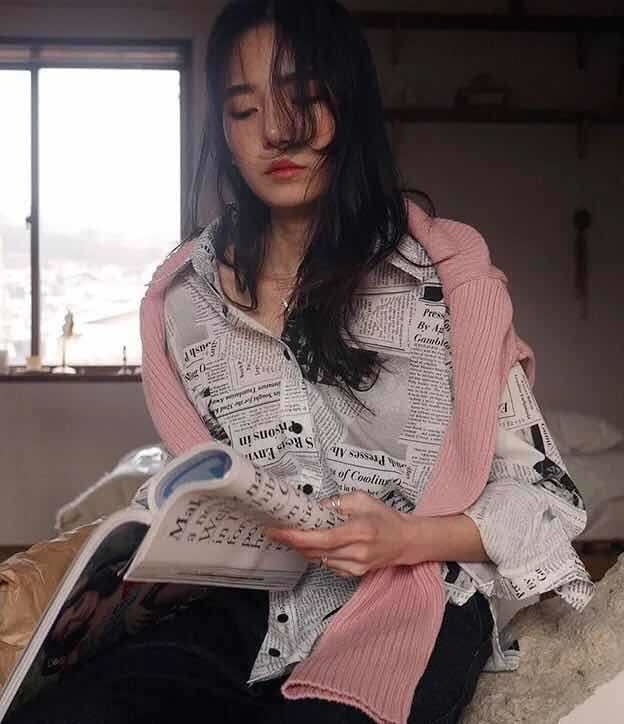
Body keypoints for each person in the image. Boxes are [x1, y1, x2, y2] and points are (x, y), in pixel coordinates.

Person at [6, 1, 595, 723]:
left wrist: (405, 539)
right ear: (223, 131)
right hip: (242, 608)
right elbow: (214, 492)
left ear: (350, 104)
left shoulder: (447, 280)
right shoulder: (182, 301)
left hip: (413, 602)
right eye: (244, 109)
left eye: (304, 98)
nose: (277, 133)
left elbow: (547, 500)